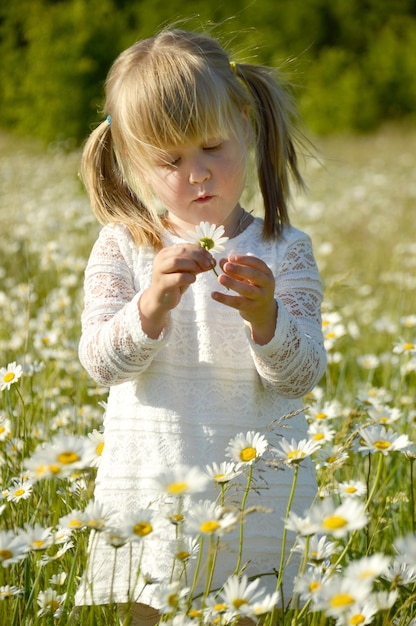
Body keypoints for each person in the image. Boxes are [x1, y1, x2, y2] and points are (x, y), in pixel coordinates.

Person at [75, 27, 327, 625]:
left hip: (256, 490)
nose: (197, 174)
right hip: (151, 487)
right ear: (134, 162)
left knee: (246, 609)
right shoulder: (124, 246)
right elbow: (99, 363)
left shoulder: (284, 250)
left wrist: (268, 316)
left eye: (213, 146)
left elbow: (303, 374)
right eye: (170, 160)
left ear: (245, 123)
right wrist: (151, 305)